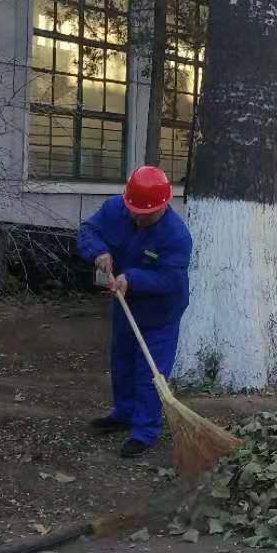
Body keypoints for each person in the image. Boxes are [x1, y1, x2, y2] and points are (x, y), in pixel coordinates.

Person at [77, 166, 193, 459]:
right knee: (122, 361)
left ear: (163, 206)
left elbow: (170, 279)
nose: (138, 218)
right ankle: (124, 414)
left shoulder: (177, 236)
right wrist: (98, 251)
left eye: (146, 214)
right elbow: (88, 231)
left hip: (161, 312)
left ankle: (145, 431)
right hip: (125, 303)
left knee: (150, 372)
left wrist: (133, 279)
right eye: (134, 211)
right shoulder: (115, 210)